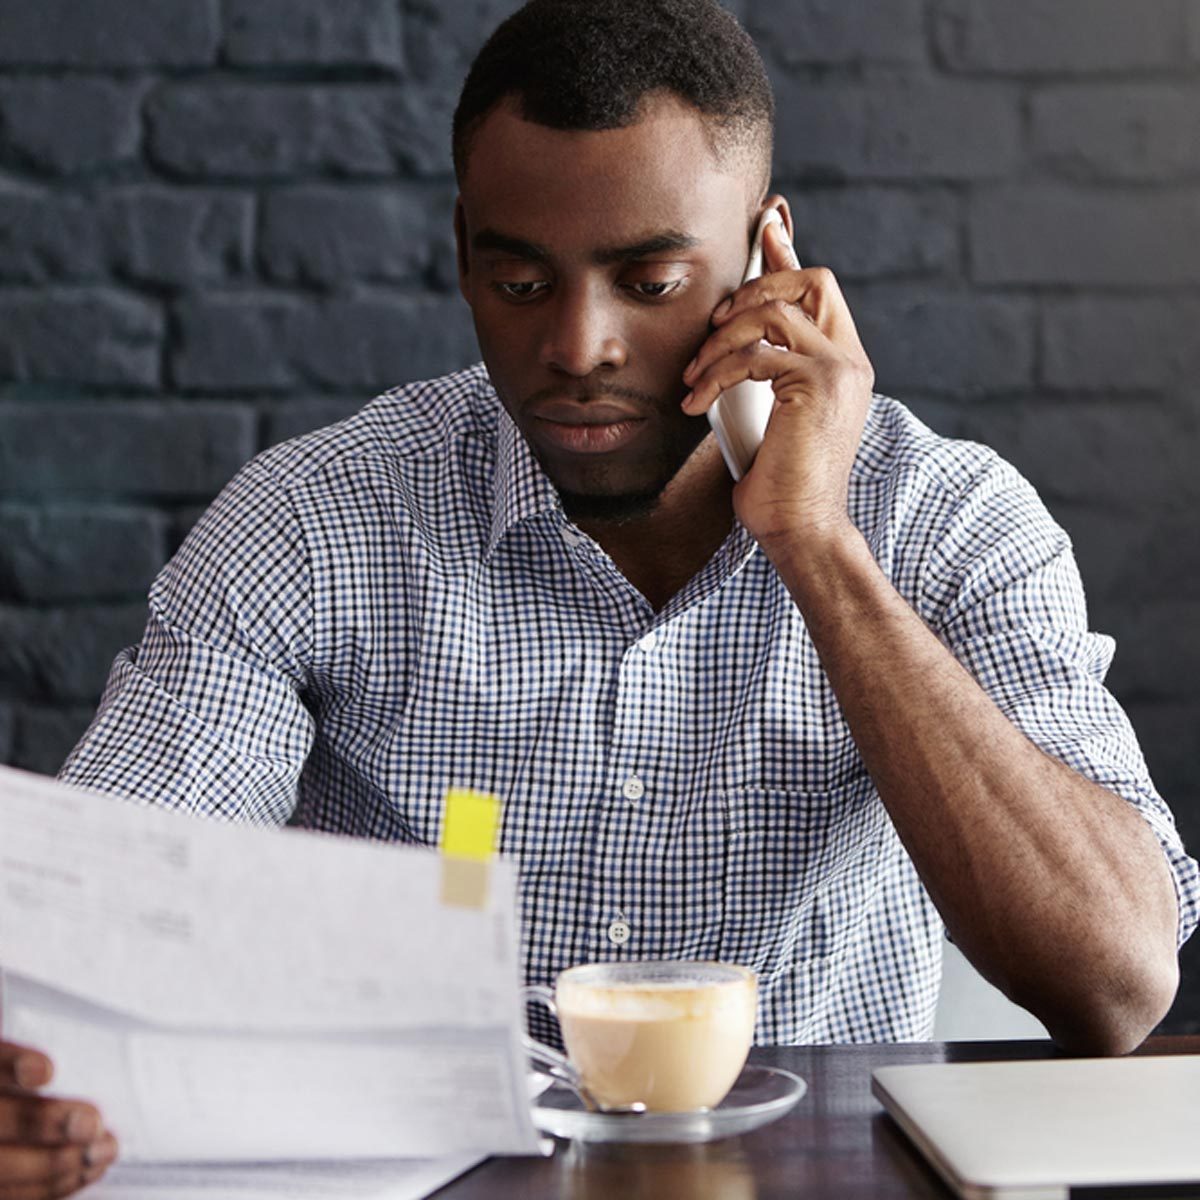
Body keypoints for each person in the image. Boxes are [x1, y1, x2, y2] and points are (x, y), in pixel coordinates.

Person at [3, 0, 1197, 1192]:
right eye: (520, 283)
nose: (579, 346)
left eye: (653, 278)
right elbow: (95, 923)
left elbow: (1116, 989)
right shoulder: (316, 526)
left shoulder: (949, 522)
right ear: (464, 249)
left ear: (767, 260)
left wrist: (820, 547)